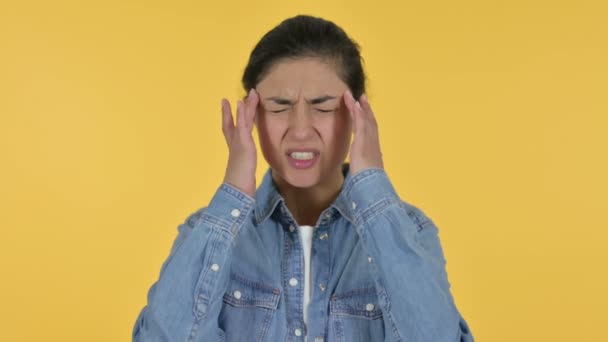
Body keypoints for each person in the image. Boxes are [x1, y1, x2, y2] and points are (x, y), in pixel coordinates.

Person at [132, 14, 474, 342]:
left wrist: (371, 183)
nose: (299, 130)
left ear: (359, 114)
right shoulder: (209, 234)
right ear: (250, 116)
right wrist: (233, 192)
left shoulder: (410, 232)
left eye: (323, 107)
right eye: (279, 107)